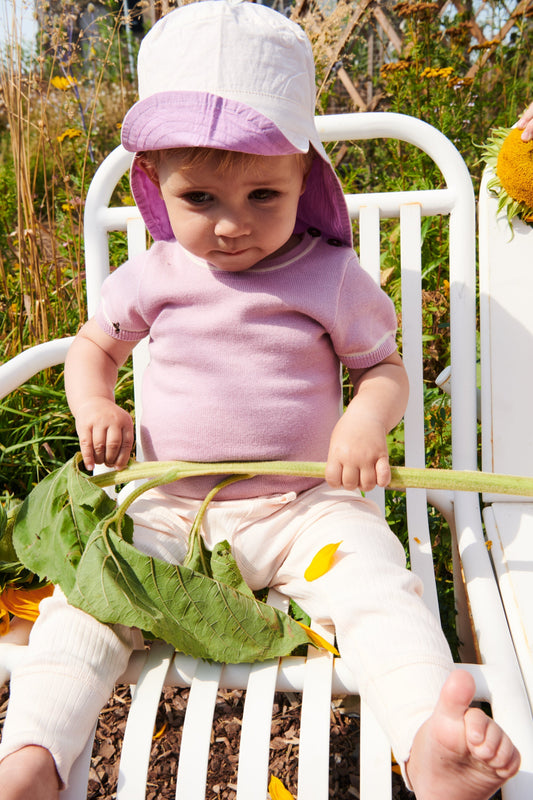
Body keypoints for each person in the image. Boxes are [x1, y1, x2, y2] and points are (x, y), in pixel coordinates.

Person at [0, 2, 520, 798]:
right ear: (155, 183)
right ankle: (33, 755)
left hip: (307, 506)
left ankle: (428, 739)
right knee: (89, 600)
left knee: (377, 588)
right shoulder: (155, 273)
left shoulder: (328, 276)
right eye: (199, 198)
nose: (231, 226)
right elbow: (93, 347)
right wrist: (93, 405)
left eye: (263, 198)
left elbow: (383, 370)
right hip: (171, 507)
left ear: (305, 179)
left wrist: (361, 419)